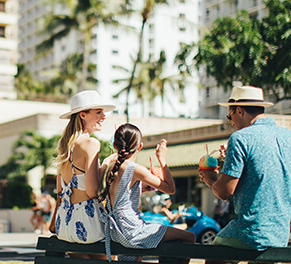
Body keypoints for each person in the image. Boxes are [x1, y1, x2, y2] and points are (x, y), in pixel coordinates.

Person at [199, 85, 291, 257]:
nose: (231, 122)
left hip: (251, 231)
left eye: (230, 115)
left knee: (214, 255)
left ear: (239, 111)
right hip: (281, 232)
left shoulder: (240, 138)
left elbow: (225, 192)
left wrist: (210, 178)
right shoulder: (287, 136)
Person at [98, 123, 195, 262]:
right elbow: (171, 189)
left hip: (116, 231)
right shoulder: (135, 168)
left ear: (115, 146)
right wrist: (162, 159)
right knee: (189, 237)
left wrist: (140, 189)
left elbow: (119, 196)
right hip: (131, 230)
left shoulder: (112, 168)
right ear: (140, 146)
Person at [53, 90, 115, 259]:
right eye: (98, 112)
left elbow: (60, 189)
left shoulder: (64, 145)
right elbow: (92, 191)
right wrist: (105, 164)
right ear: (82, 115)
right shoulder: (91, 143)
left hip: (65, 225)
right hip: (89, 223)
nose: (104, 116)